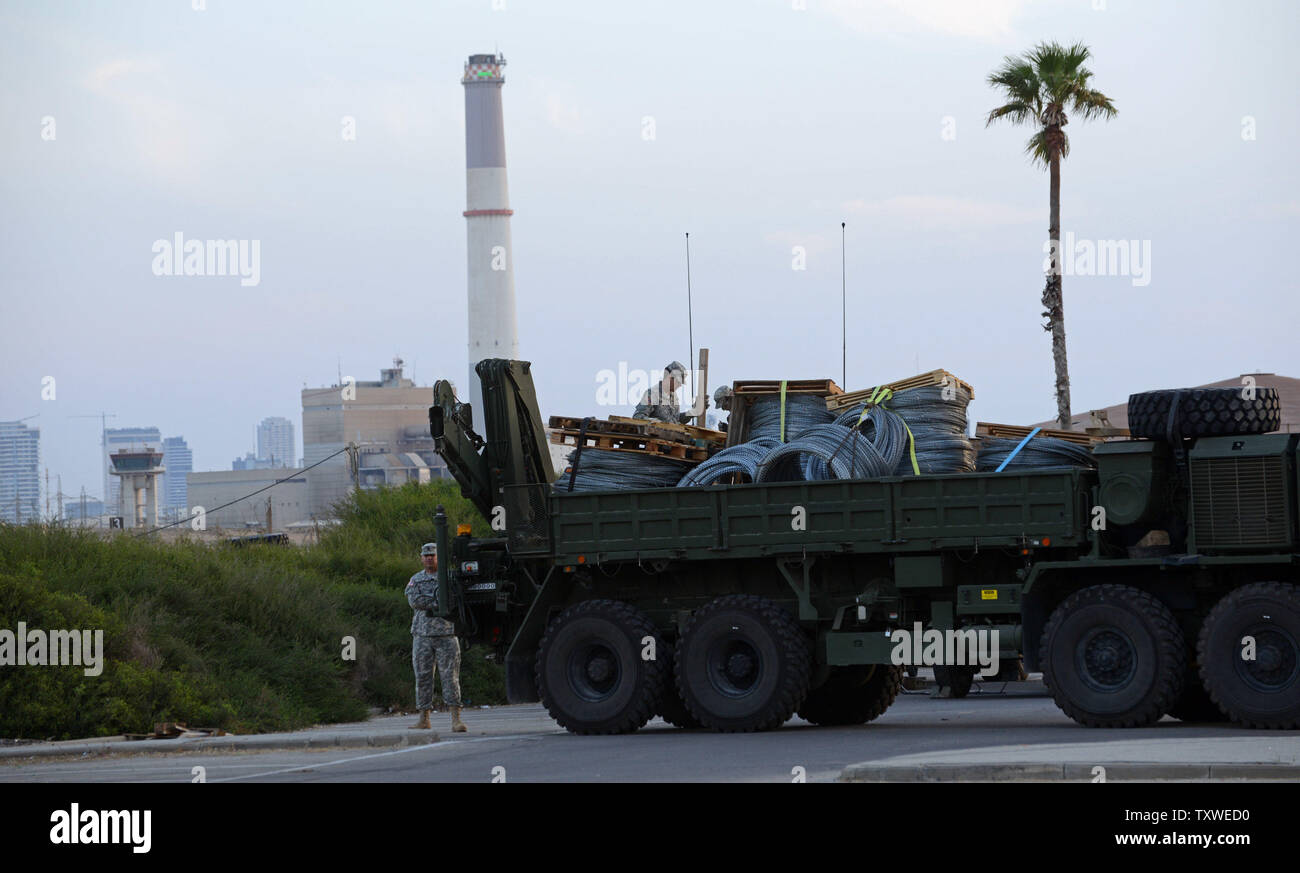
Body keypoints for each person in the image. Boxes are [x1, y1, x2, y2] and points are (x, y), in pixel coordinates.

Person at [406, 542, 467, 732]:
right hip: (422, 635)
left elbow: (454, 600)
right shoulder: (416, 579)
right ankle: (424, 718)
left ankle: (456, 719)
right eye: (426, 555)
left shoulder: (449, 578)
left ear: (438, 557)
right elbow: (414, 601)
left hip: (447, 633)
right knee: (422, 677)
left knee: (450, 678)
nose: (429, 558)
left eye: (432, 555)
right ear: (421, 558)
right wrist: (437, 601)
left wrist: (433, 601)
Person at [633, 360, 706, 424]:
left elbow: (675, 420)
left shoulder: (674, 397)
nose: (680, 385)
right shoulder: (653, 394)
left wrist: (692, 412)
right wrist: (657, 423)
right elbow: (638, 417)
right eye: (678, 382)